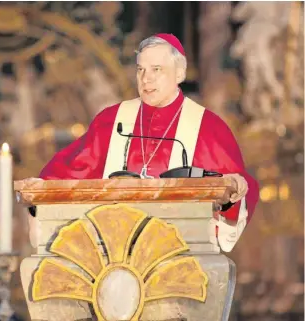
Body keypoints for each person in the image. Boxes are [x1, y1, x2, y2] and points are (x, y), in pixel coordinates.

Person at [31, 33, 259, 252]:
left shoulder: (207, 127)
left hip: (182, 261)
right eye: (140, 70)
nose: (145, 78)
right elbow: (73, 169)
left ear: (179, 74)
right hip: (113, 258)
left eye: (156, 70)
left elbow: (236, 191)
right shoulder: (112, 120)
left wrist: (231, 194)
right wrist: (40, 188)